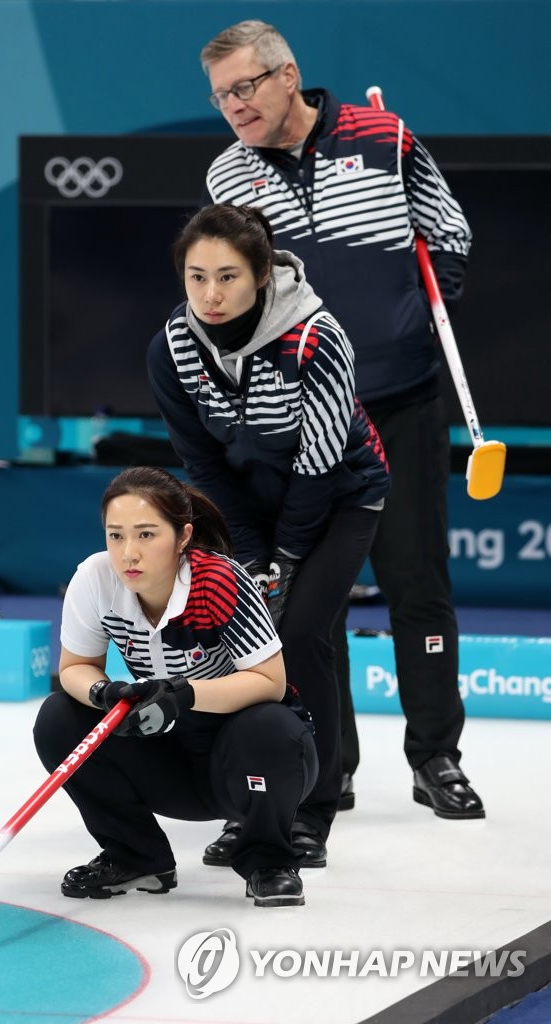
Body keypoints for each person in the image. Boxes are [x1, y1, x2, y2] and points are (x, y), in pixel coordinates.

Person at [197, 19, 485, 823]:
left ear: (289, 76)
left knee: (417, 586)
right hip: (305, 418)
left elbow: (449, 230)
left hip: (403, 401)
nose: (234, 107)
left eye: (245, 86)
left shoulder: (383, 136)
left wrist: (420, 319)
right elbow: (233, 294)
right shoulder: (228, 175)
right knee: (311, 604)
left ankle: (437, 757)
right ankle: (331, 764)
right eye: (221, 96)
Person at [146, 203, 390, 869]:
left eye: (228, 277)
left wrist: (284, 557)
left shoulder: (317, 338)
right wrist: (250, 551)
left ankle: (311, 810)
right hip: (246, 500)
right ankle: (252, 806)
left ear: (262, 275)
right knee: (235, 642)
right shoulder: (173, 344)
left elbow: (319, 464)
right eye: (196, 277)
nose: (210, 295)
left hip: (341, 494)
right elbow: (201, 462)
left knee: (303, 632)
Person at [33, 465, 318, 908]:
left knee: (270, 728)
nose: (128, 553)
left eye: (146, 535)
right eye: (116, 536)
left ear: (183, 536)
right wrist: (103, 693)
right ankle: (136, 856)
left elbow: (270, 681)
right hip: (165, 757)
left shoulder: (218, 581)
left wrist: (184, 694)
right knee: (59, 718)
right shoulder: (94, 579)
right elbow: (75, 667)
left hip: (239, 755)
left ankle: (268, 859)